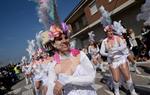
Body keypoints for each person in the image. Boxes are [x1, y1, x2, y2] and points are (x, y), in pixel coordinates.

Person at [46, 24, 97, 95]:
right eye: (60, 39)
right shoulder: (53, 64)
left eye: (66, 37)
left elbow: (92, 78)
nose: (64, 41)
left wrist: (67, 80)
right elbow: (50, 90)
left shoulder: (80, 54)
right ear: (54, 44)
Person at [100, 25, 138, 95]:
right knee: (116, 79)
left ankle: (132, 91)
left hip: (121, 59)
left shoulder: (117, 38)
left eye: (111, 31)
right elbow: (101, 52)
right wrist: (108, 54)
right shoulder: (104, 41)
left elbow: (124, 46)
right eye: (109, 31)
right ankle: (116, 92)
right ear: (106, 33)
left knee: (127, 76)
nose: (111, 32)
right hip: (113, 61)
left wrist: (116, 49)